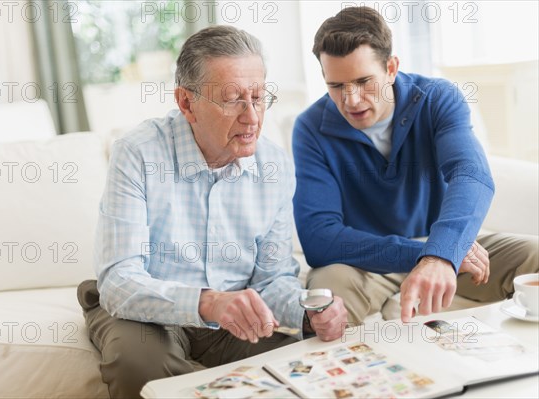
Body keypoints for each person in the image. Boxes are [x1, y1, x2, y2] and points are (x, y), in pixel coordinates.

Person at [77, 25, 348, 398]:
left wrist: (308, 312)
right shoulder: (138, 153)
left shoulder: (274, 165)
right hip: (145, 311)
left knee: (306, 366)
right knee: (139, 365)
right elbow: (120, 281)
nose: (251, 116)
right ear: (187, 103)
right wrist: (209, 302)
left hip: (230, 317)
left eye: (258, 96)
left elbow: (271, 280)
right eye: (233, 99)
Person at [293, 6, 538, 325]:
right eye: (336, 86)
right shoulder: (310, 128)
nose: (351, 100)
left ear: (391, 68)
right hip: (363, 262)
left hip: (445, 249)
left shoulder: (438, 98)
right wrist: (430, 254)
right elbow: (319, 238)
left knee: (534, 253)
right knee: (328, 296)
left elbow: (471, 175)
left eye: (363, 81)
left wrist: (443, 251)